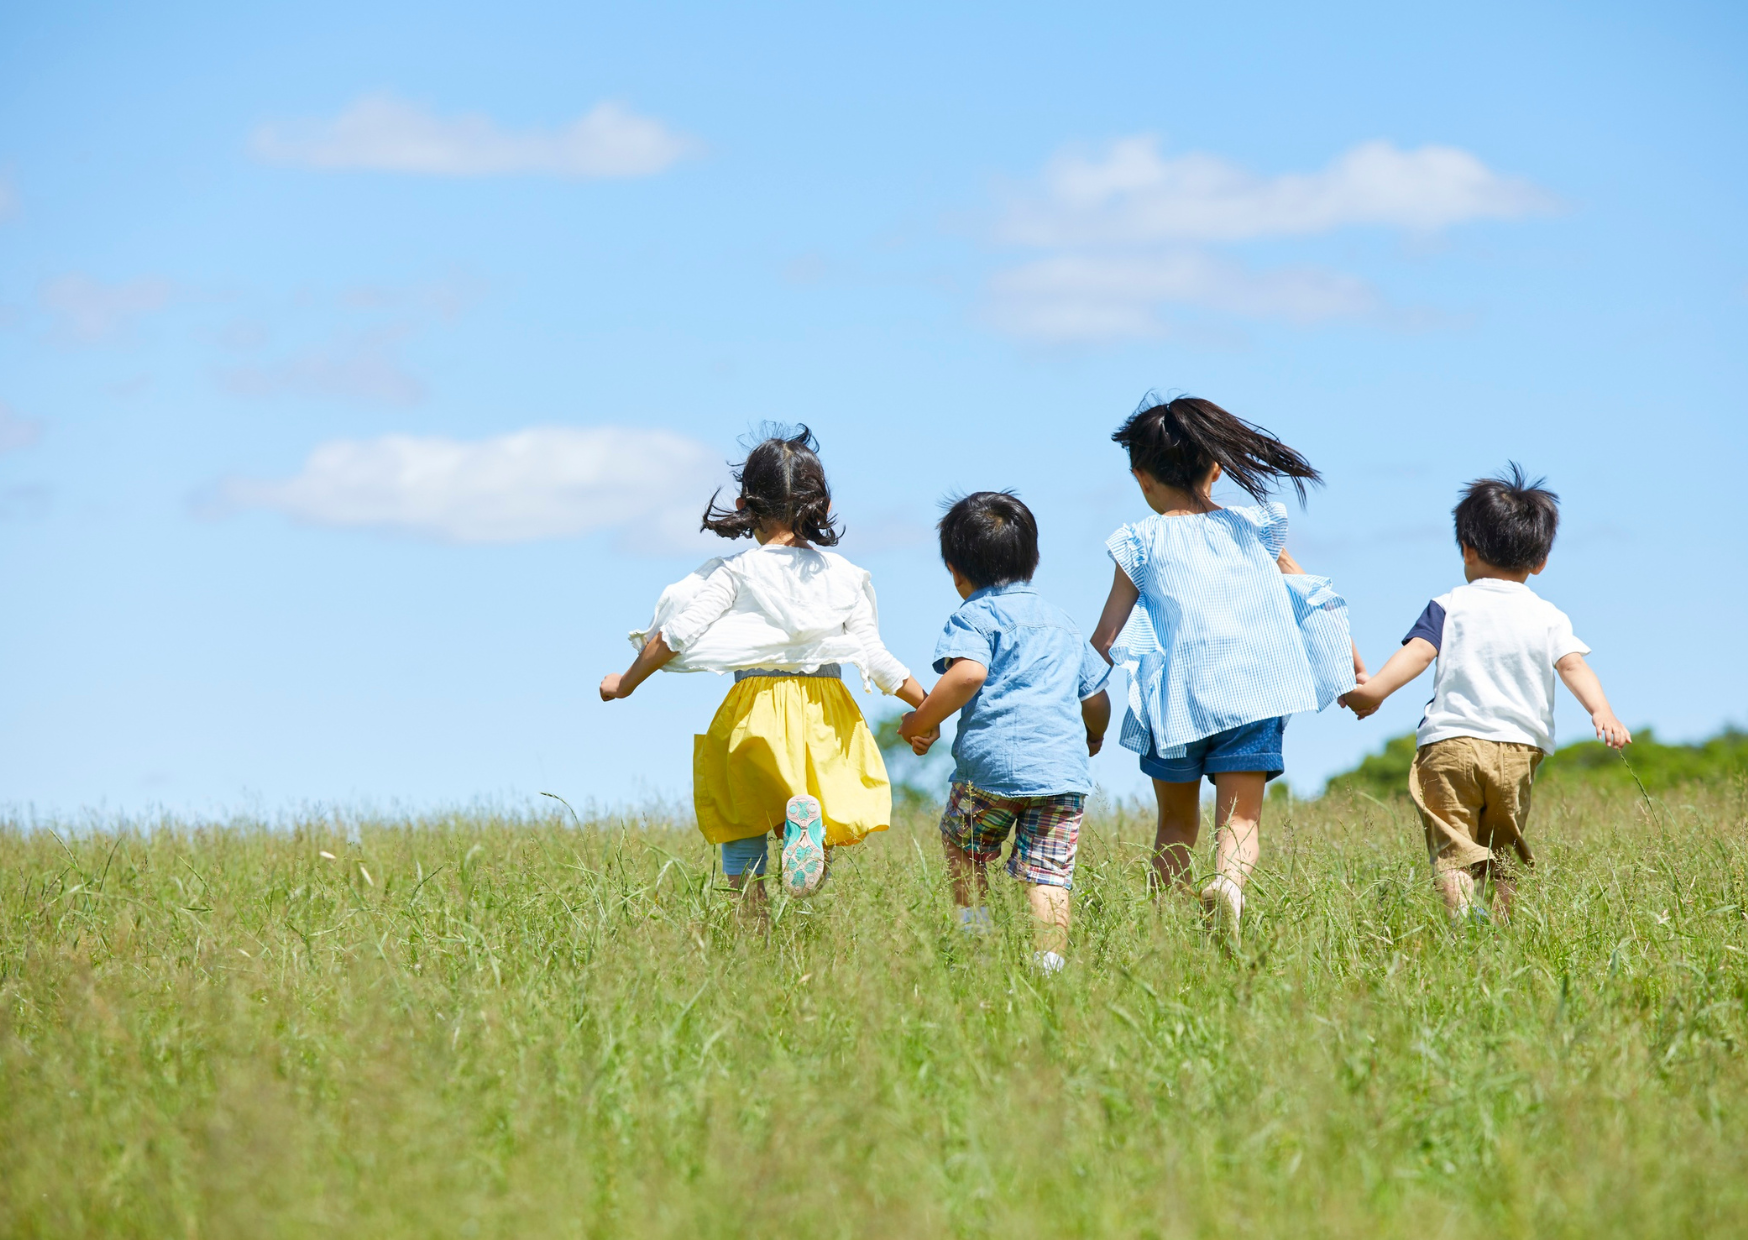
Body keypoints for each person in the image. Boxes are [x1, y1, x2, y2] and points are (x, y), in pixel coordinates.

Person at [600, 427, 926, 901]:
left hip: (756, 709)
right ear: (822, 507)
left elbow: (676, 635)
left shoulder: (736, 572)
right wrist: (926, 708)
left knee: (741, 818)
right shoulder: (846, 577)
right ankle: (804, 837)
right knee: (815, 817)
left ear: (744, 503)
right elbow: (875, 657)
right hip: (826, 714)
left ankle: (750, 931)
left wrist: (625, 683)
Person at [1090, 395, 1364, 943]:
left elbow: (1106, 638)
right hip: (1253, 694)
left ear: (1142, 478)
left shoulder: (1140, 541)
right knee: (1239, 823)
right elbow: (1310, 594)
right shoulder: (1255, 526)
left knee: (1174, 827)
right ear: (1217, 467)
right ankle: (1229, 887)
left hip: (1175, 704)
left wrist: (1083, 707)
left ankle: (1164, 935)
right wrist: (1353, 666)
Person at [1340, 465, 1629, 923]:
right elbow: (1574, 665)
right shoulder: (1547, 615)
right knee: (1506, 847)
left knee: (1453, 845)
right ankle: (1503, 929)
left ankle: (1460, 926)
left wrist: (1373, 691)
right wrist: (1603, 711)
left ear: (1467, 549)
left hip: (1451, 743)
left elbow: (1418, 655)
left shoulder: (1450, 604)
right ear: (1540, 561)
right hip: (1518, 749)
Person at [899, 492, 1111, 975]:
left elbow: (967, 675)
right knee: (1049, 876)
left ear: (955, 570)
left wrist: (919, 720)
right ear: (1032, 562)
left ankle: (977, 944)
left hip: (988, 771)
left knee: (964, 846)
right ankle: (1049, 966)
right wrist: (1092, 734)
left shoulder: (974, 617)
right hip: (1061, 775)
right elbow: (1095, 698)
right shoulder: (1063, 624)